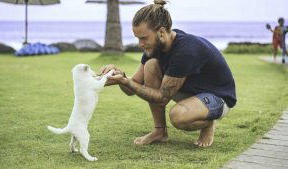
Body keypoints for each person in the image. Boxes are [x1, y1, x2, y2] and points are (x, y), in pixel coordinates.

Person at [100, 0, 236, 147]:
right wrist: (121, 76)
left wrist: (126, 81)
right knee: (151, 65)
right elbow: (132, 88)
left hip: (218, 98)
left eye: (144, 38)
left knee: (178, 116)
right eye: (138, 38)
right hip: (190, 92)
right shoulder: (154, 47)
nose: (140, 44)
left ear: (161, 32)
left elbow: (162, 98)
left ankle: (208, 124)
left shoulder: (186, 50)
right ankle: (160, 132)